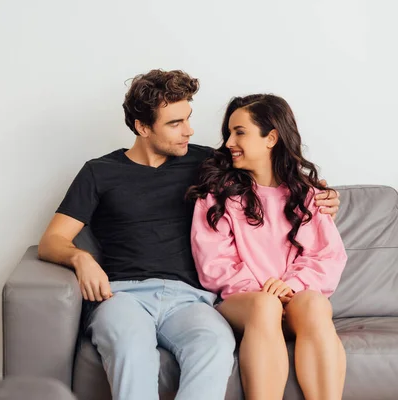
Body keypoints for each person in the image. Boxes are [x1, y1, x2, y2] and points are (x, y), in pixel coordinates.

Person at [38, 70, 341, 400]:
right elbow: (52, 240)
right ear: (142, 127)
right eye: (175, 123)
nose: (189, 131)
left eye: (188, 119)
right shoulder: (99, 172)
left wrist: (323, 195)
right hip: (123, 295)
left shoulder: (208, 164)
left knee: (214, 344)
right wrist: (80, 258)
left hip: (191, 300)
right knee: (131, 347)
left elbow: (268, 170)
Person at [188, 94, 347, 400]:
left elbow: (327, 257)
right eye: (229, 133)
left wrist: (290, 286)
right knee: (265, 306)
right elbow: (214, 264)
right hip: (247, 305)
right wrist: (265, 292)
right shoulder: (216, 195)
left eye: (240, 132)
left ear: (271, 138)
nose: (229, 142)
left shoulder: (309, 195)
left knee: (315, 303)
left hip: (296, 301)